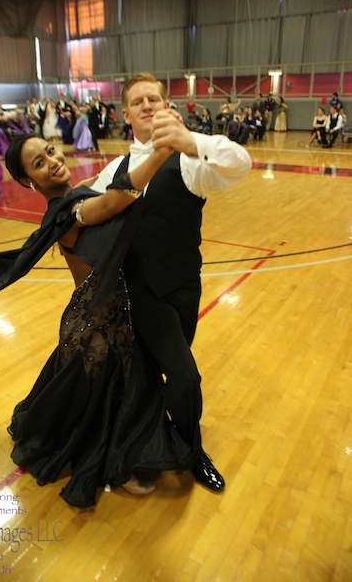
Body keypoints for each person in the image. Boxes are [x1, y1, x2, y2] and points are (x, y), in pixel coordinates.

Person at [0, 133, 195, 508]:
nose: (53, 161)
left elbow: (97, 184)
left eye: (50, 151)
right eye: (39, 164)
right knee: (109, 397)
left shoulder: (71, 195)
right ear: (27, 181)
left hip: (106, 312)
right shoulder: (68, 211)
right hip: (98, 322)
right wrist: (159, 154)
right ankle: (115, 467)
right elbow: (114, 200)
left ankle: (124, 451)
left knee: (116, 391)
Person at [91, 72, 252, 493]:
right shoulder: (113, 170)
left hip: (184, 288)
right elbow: (88, 213)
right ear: (125, 115)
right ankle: (191, 450)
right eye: (137, 101)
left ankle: (153, 436)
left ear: (166, 106)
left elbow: (241, 163)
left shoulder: (188, 160)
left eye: (154, 99)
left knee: (159, 372)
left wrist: (190, 140)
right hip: (141, 295)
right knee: (185, 377)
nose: (147, 105)